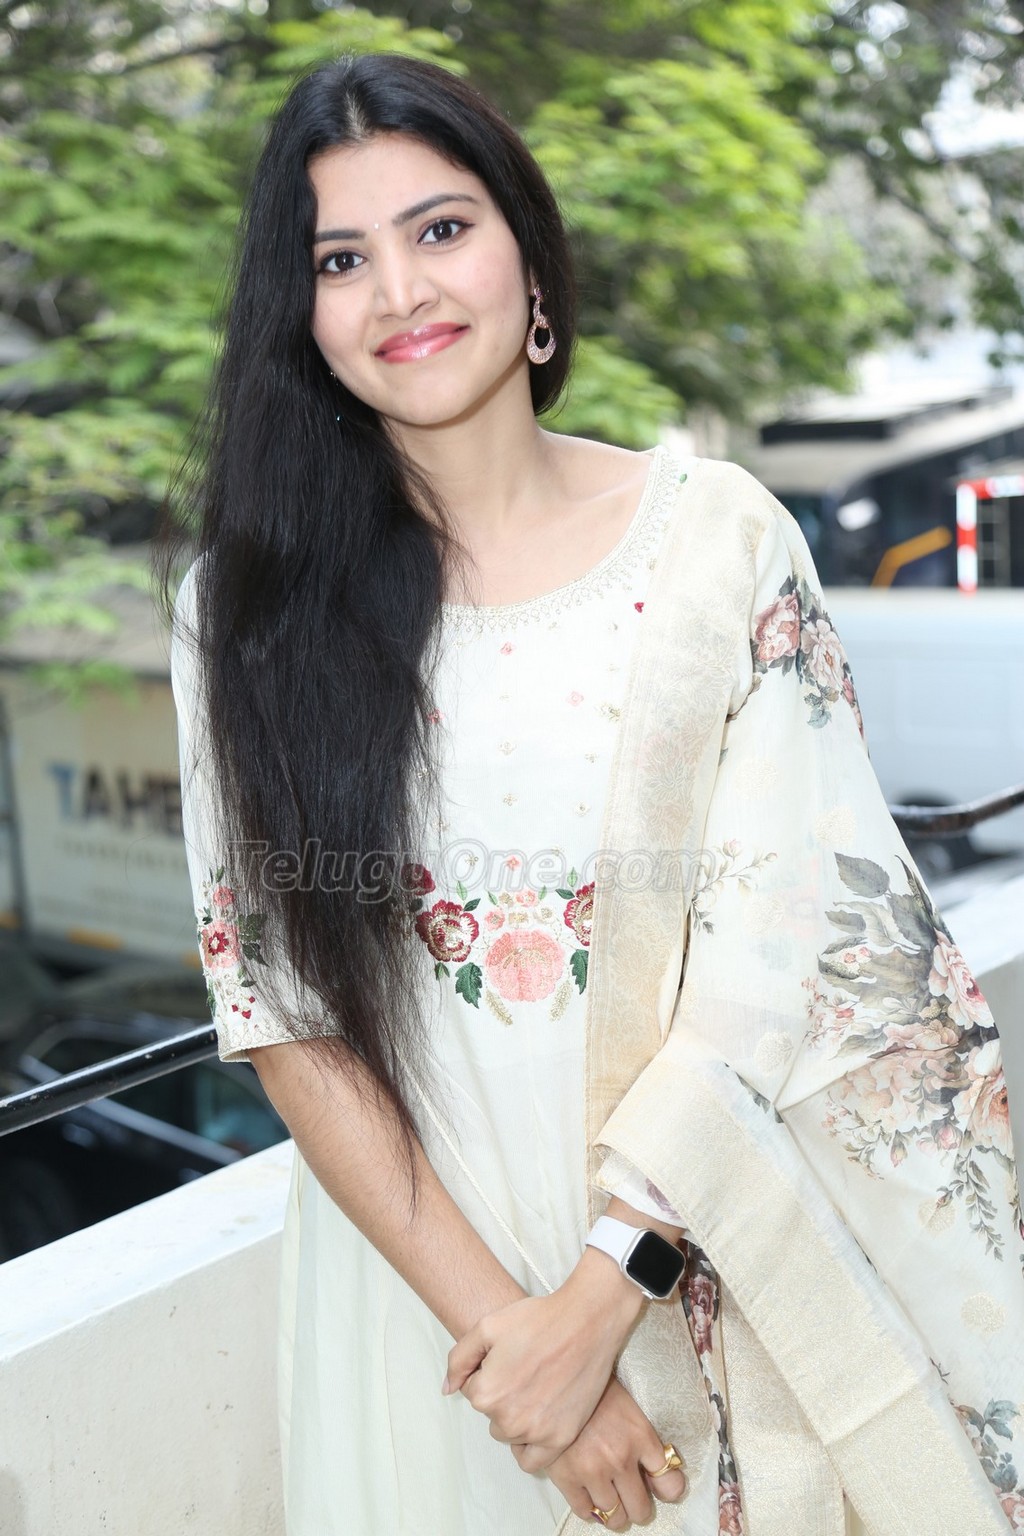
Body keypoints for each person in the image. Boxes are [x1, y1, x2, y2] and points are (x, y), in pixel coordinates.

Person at [164, 51, 1024, 1536]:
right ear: (298, 317)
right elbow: (285, 1012)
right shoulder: (243, 616)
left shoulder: (715, 543)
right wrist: (515, 1337)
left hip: (698, 1238)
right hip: (425, 1298)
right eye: (340, 260)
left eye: (441, 230)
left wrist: (603, 1289)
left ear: (529, 255)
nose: (400, 292)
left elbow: (783, 947)